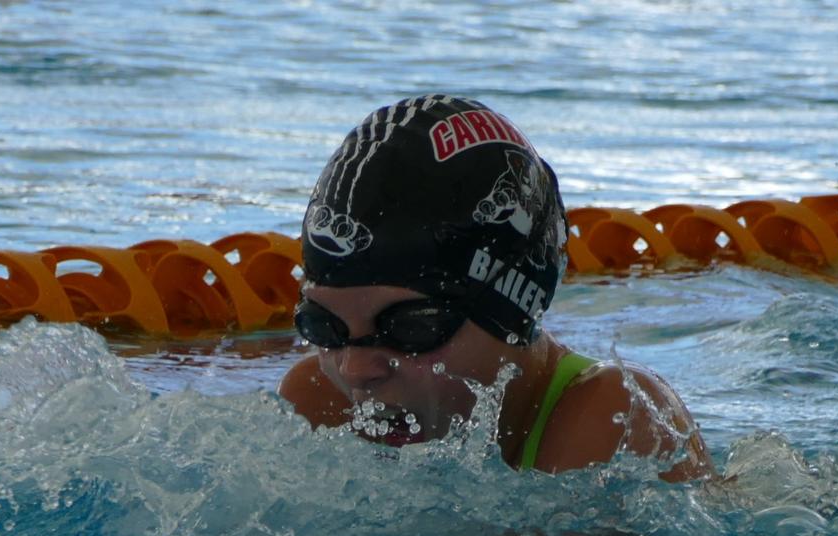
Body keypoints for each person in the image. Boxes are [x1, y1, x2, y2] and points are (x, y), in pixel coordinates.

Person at [279, 95, 715, 483]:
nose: (354, 370)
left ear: (511, 307)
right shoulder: (318, 399)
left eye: (411, 327)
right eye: (325, 327)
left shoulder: (618, 416)